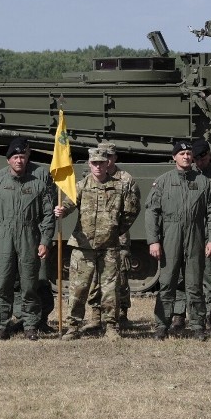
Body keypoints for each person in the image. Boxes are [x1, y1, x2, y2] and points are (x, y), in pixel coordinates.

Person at [55, 147, 140, 340]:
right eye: (94, 163)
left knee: (110, 288)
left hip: (109, 246)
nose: (98, 166)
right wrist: (62, 210)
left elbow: (131, 211)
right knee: (79, 288)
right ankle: (73, 326)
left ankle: (111, 326)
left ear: (107, 163)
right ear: (89, 164)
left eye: (101, 162)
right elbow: (69, 203)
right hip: (83, 246)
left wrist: (115, 230)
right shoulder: (81, 185)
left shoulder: (119, 187)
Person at [145, 141, 211, 341]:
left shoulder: (203, 182)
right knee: (167, 281)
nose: (186, 157)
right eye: (182, 153)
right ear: (174, 157)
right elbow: (152, 212)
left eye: (188, 153)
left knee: (195, 281)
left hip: (195, 232)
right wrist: (154, 240)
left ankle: (197, 325)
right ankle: (162, 325)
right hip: (170, 232)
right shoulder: (162, 181)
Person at [0, 137, 55, 341]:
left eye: (22, 157)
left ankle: (30, 326)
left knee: (29, 284)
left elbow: (48, 216)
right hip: (4, 237)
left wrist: (45, 241)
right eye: (15, 157)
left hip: (29, 236)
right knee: (3, 284)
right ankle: (1, 326)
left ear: (27, 158)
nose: (19, 161)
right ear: (8, 161)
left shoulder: (38, 185)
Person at [82, 141, 141, 331]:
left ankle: (121, 314)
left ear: (115, 157)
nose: (105, 160)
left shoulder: (125, 179)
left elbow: (132, 209)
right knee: (94, 279)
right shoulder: (91, 177)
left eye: (109, 156)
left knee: (119, 278)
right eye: (101, 156)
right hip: (93, 238)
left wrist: (117, 230)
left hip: (117, 237)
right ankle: (95, 316)